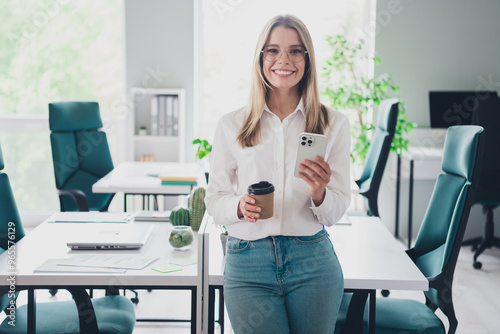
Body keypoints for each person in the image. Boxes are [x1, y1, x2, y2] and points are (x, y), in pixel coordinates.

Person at [205, 14, 351, 334]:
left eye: (295, 51)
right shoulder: (232, 124)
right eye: (272, 50)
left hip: (312, 260)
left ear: (307, 59)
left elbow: (336, 210)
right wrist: (239, 207)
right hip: (248, 262)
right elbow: (214, 199)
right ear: (261, 58)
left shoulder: (333, 124)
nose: (283, 59)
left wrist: (319, 193)